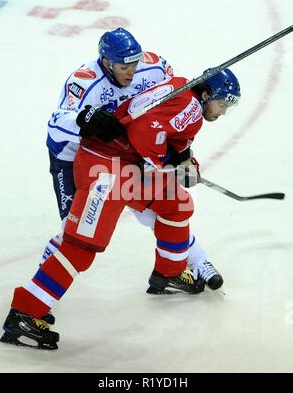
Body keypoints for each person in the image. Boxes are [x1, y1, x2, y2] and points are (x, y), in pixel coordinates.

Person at [0, 68, 241, 350]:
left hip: (128, 166)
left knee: (176, 203)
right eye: (222, 104)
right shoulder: (190, 107)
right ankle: (24, 314)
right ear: (207, 95)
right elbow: (143, 133)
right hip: (105, 166)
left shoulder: (183, 93)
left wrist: (186, 164)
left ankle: (169, 273)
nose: (222, 112)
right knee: (81, 247)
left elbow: (172, 139)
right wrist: (170, 164)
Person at [42, 27, 223, 306]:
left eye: (134, 63)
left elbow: (169, 104)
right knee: (73, 231)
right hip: (77, 156)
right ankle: (41, 286)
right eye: (124, 65)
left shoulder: (152, 66)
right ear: (106, 62)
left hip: (129, 153)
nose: (131, 70)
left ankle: (193, 262)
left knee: (162, 210)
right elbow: (55, 122)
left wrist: (181, 152)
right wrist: (84, 120)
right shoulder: (84, 81)